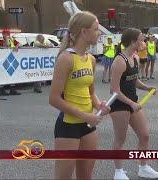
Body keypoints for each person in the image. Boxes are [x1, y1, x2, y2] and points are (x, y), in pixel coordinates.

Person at [48, 11, 110, 179]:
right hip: (68, 126)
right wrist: (85, 115)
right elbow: (53, 99)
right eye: (96, 29)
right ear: (84, 32)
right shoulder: (66, 58)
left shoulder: (91, 59)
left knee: (86, 176)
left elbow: (91, 93)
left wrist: (99, 105)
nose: (99, 33)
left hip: (88, 127)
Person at [109, 28, 158, 180]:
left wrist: (147, 88)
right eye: (141, 39)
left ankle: (143, 168)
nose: (144, 42)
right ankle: (118, 172)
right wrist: (131, 103)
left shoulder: (136, 57)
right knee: (120, 139)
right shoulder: (120, 60)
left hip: (133, 102)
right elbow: (114, 89)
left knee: (144, 135)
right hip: (119, 104)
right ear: (133, 42)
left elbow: (134, 79)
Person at [0, 29, 21, 96]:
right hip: (3, 61)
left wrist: (17, 46)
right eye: (6, 34)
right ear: (3, 34)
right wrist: (7, 39)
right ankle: (2, 91)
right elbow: (6, 45)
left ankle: (12, 90)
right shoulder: (1, 41)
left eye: (8, 34)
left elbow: (19, 43)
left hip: (11, 59)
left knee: (12, 74)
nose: (8, 35)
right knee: (3, 75)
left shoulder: (12, 40)